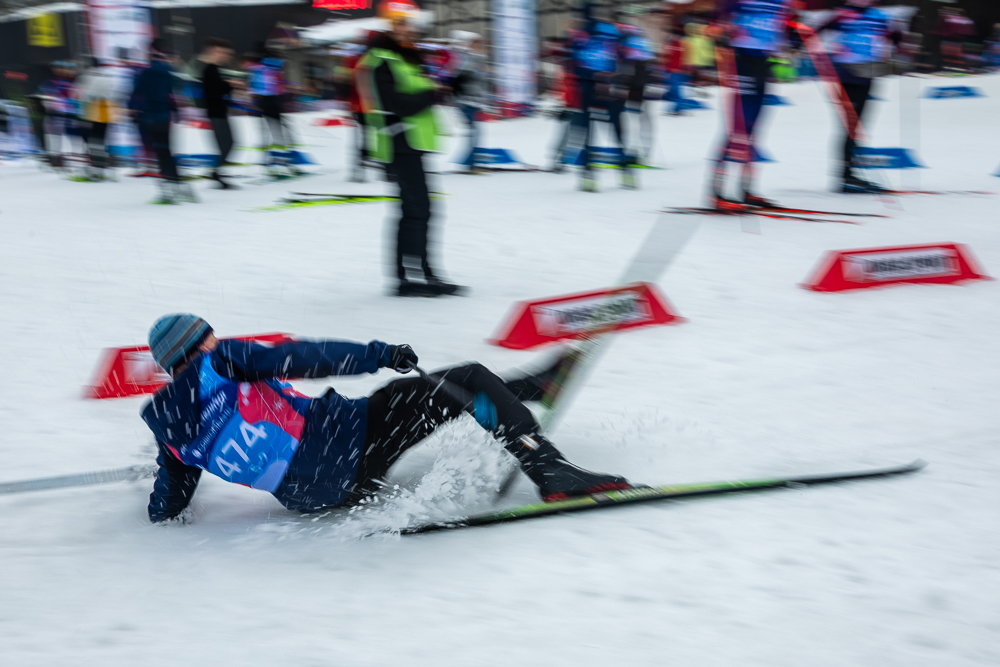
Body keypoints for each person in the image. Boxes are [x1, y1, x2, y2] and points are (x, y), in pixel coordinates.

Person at [140, 314, 633, 523]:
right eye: (207, 334)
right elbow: (303, 356)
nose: (214, 338)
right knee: (466, 378)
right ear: (198, 344)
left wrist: (162, 485)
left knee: (441, 390)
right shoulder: (220, 361)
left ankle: (531, 388)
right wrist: (377, 353)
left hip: (316, 496)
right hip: (349, 442)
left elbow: (168, 504)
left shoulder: (169, 432)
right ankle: (551, 471)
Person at [356, 0, 464, 297]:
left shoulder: (405, 57)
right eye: (402, 24)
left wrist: (446, 87)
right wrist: (432, 92)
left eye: (410, 25)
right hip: (398, 142)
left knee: (417, 210)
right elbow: (397, 104)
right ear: (390, 26)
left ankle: (418, 274)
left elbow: (417, 93)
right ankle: (411, 277)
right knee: (417, 210)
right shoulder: (380, 59)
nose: (409, 30)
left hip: (412, 143)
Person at [708, 0, 797, 210]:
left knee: (754, 130)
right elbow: (717, 15)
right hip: (741, 61)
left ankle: (746, 190)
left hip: (764, 64)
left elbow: (786, 24)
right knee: (737, 128)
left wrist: (790, 39)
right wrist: (722, 28)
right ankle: (716, 192)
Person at [817, 0, 901, 194]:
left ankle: (851, 175)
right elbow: (814, 32)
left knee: (857, 127)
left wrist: (897, 44)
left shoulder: (880, 17)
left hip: (867, 76)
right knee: (849, 126)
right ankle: (846, 176)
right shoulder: (842, 14)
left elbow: (896, 37)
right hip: (846, 77)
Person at [570, 3, 633, 192]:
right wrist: (615, 77)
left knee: (588, 132)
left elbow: (576, 65)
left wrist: (594, 77)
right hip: (609, 86)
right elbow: (623, 54)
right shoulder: (610, 30)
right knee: (616, 128)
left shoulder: (579, 34)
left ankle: (589, 175)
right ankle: (626, 171)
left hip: (588, 87)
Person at [129, 39, 194, 204]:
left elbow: (138, 93)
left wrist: (132, 109)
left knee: (161, 153)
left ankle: (168, 191)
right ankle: (181, 188)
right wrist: (176, 112)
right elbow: (173, 95)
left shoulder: (146, 72)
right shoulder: (170, 71)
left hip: (150, 116)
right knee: (167, 152)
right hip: (165, 117)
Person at [247, 47, 298, 177]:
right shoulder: (272, 66)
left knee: (267, 134)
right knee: (279, 134)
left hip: (262, 104)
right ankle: (283, 163)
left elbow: (252, 87)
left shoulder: (256, 67)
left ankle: (269, 164)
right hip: (271, 103)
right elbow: (278, 86)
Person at [198, 38, 238, 189]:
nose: (227, 57)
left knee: (227, 144)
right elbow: (213, 93)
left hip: (218, 112)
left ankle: (217, 172)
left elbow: (216, 91)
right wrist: (228, 86)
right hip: (216, 113)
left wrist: (227, 86)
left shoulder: (213, 70)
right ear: (215, 52)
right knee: (227, 144)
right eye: (224, 53)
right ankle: (216, 172)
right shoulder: (210, 70)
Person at [450, 31, 489, 174]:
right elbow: (457, 79)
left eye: (480, 43)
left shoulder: (480, 60)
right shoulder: (468, 60)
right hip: (466, 101)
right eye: (476, 43)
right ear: (471, 45)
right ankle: (471, 164)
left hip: (475, 102)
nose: (480, 46)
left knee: (474, 133)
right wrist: (457, 97)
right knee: (475, 132)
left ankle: (470, 162)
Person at [75, 57, 118, 181]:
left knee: (93, 141)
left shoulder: (86, 76)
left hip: (93, 112)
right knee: (101, 140)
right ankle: (103, 167)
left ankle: (96, 169)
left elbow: (85, 95)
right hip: (106, 113)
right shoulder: (106, 77)